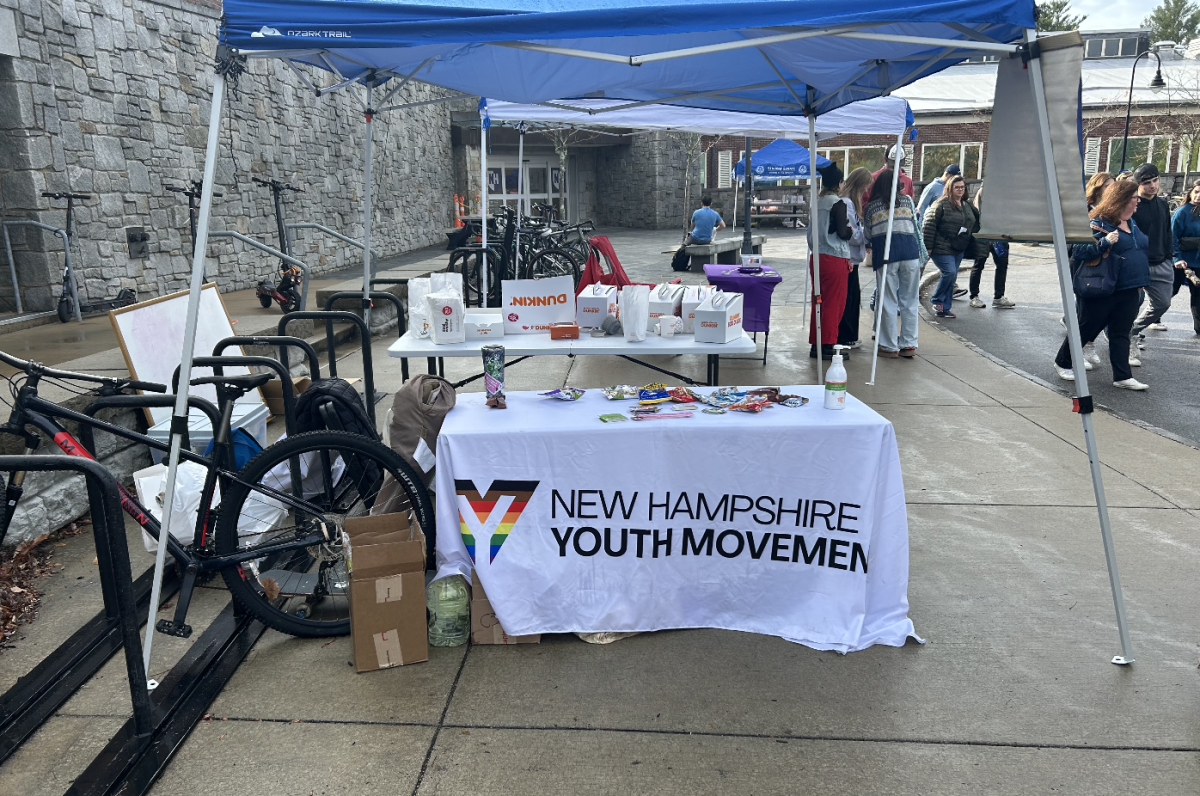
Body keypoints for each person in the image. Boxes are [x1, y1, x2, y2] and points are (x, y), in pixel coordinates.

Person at [1053, 180, 1149, 390]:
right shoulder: (1099, 223)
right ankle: (1063, 362)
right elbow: (1079, 252)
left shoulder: (1132, 223)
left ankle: (1122, 376)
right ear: (1122, 199)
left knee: (1121, 332)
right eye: (1134, 197)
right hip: (1103, 287)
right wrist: (1105, 242)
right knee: (1087, 328)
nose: (1138, 201)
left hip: (1129, 288)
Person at [864, 169, 923, 357]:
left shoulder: (872, 207)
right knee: (910, 300)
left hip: (886, 255)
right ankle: (909, 343)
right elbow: (915, 225)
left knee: (887, 300)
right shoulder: (907, 201)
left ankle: (889, 345)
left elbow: (868, 234)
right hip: (910, 252)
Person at [809, 162, 855, 359]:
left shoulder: (816, 203)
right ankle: (827, 343)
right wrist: (850, 231)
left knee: (818, 300)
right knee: (834, 302)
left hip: (817, 256)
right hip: (834, 257)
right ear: (839, 183)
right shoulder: (838, 203)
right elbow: (843, 233)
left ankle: (816, 342)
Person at [1127, 164, 1173, 347]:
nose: (1153, 185)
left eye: (1155, 180)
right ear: (1138, 184)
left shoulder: (1162, 203)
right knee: (1130, 306)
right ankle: (1125, 340)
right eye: (1146, 182)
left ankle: (1133, 330)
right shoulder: (1132, 204)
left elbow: (1167, 232)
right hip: (1139, 263)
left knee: (1162, 303)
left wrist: (1170, 257)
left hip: (1162, 261)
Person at [922, 175, 978, 318]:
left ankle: (944, 308)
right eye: (957, 187)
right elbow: (929, 225)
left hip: (958, 247)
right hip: (941, 246)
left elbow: (975, 222)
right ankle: (937, 299)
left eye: (962, 187)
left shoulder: (966, 205)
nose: (960, 190)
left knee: (952, 277)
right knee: (950, 272)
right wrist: (928, 246)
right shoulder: (941, 204)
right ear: (950, 188)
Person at [837, 167, 874, 350]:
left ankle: (848, 335)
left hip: (851, 258)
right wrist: (865, 237)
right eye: (866, 186)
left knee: (851, 297)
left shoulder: (846, 201)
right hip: (849, 258)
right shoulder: (848, 203)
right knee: (849, 299)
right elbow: (852, 233)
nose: (867, 190)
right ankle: (847, 336)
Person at [967, 184, 1015, 309]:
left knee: (1002, 265)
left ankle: (999, 297)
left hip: (1000, 235)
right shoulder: (985, 190)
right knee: (979, 264)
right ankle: (974, 296)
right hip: (985, 235)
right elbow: (980, 213)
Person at [1170, 179, 1200, 334]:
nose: (1198, 196)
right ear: (1191, 192)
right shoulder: (1182, 212)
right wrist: (1176, 258)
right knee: (1171, 290)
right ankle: (1153, 316)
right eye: (1196, 192)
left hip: (1199, 261)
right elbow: (1172, 236)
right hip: (1183, 259)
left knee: (1198, 295)